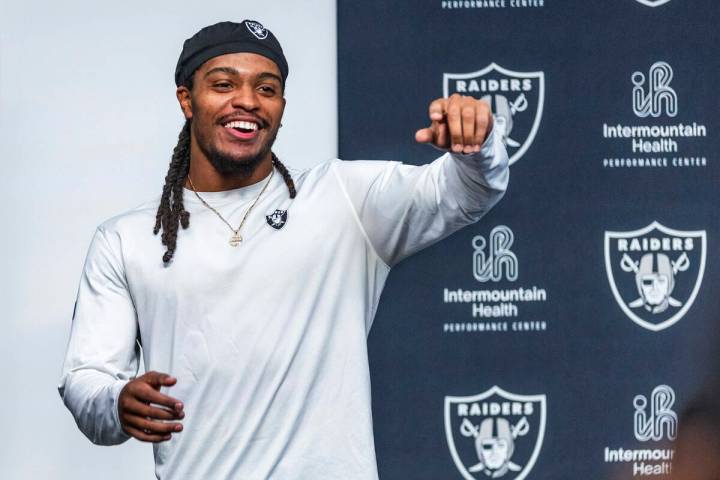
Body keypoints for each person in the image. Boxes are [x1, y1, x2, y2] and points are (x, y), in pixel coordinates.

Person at [57, 20, 509, 479]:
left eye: (266, 88)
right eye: (223, 84)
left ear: (281, 106)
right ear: (186, 99)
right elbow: (85, 377)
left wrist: (479, 143)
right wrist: (116, 402)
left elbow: (466, 193)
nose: (248, 101)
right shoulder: (125, 239)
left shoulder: (342, 199)